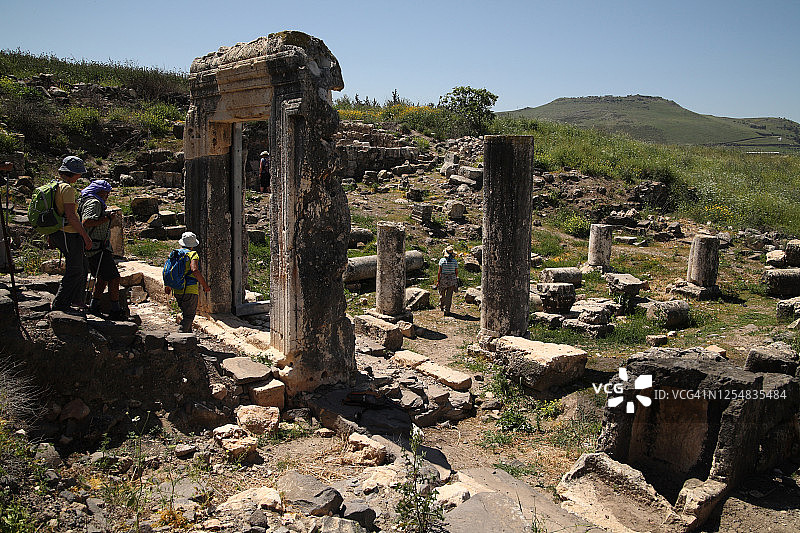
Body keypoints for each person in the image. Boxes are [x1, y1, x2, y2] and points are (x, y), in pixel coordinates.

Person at [50, 156, 93, 313]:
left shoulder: (55, 186)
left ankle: (77, 299)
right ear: (73, 173)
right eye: (79, 174)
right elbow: (71, 216)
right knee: (75, 269)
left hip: (60, 232)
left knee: (82, 265)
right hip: (69, 233)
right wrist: (85, 236)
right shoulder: (67, 189)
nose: (80, 176)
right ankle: (61, 304)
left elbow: (55, 212)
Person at [79, 179, 124, 320]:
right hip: (97, 248)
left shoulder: (91, 201)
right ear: (101, 192)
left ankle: (94, 305)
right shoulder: (94, 202)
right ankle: (115, 309)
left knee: (103, 278)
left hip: (96, 247)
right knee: (114, 278)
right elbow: (86, 222)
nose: (108, 195)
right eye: (107, 193)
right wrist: (107, 218)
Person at [164, 231, 210, 333]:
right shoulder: (192, 254)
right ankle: (180, 337)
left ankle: (188, 337)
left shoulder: (175, 254)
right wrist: (205, 285)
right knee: (189, 316)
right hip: (189, 289)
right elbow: (194, 270)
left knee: (185, 313)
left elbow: (169, 269)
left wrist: (168, 285)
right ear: (193, 245)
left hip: (177, 289)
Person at [437, 245, 459, 316]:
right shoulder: (454, 261)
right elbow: (456, 272)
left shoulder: (442, 261)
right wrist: (455, 278)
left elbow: (439, 272)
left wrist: (438, 280)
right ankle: (447, 310)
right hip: (452, 278)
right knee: (449, 295)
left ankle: (442, 305)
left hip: (443, 278)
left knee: (442, 293)